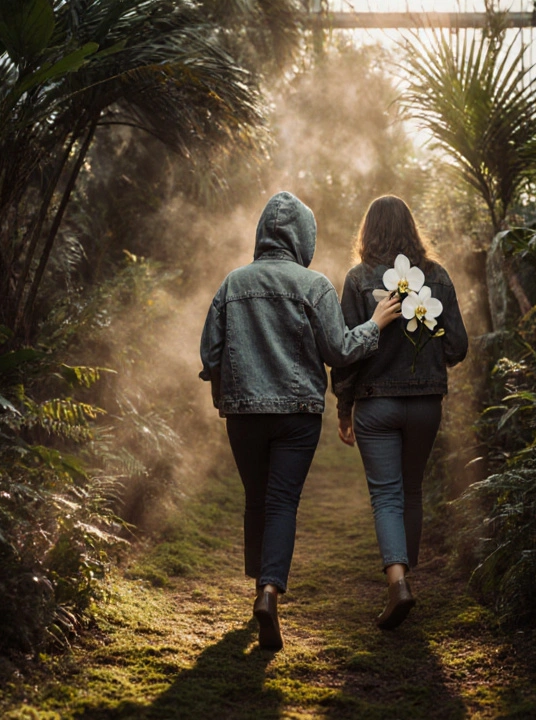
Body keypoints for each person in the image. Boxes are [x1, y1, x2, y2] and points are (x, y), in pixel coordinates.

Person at [199, 191, 401, 651]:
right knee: (282, 502)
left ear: (262, 233)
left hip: (244, 414)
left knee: (257, 498)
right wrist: (376, 322)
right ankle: (270, 592)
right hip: (298, 415)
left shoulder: (232, 284)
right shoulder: (315, 286)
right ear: (304, 238)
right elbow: (340, 351)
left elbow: (210, 353)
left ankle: (258, 591)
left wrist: (224, 391)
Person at [332, 195, 469, 630]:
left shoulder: (357, 280)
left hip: (376, 403)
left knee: (387, 495)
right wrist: (429, 340)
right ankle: (405, 582)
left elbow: (345, 353)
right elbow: (457, 347)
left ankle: (398, 583)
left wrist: (344, 407)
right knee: (412, 490)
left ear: (367, 232)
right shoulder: (438, 277)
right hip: (426, 405)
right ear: (413, 229)